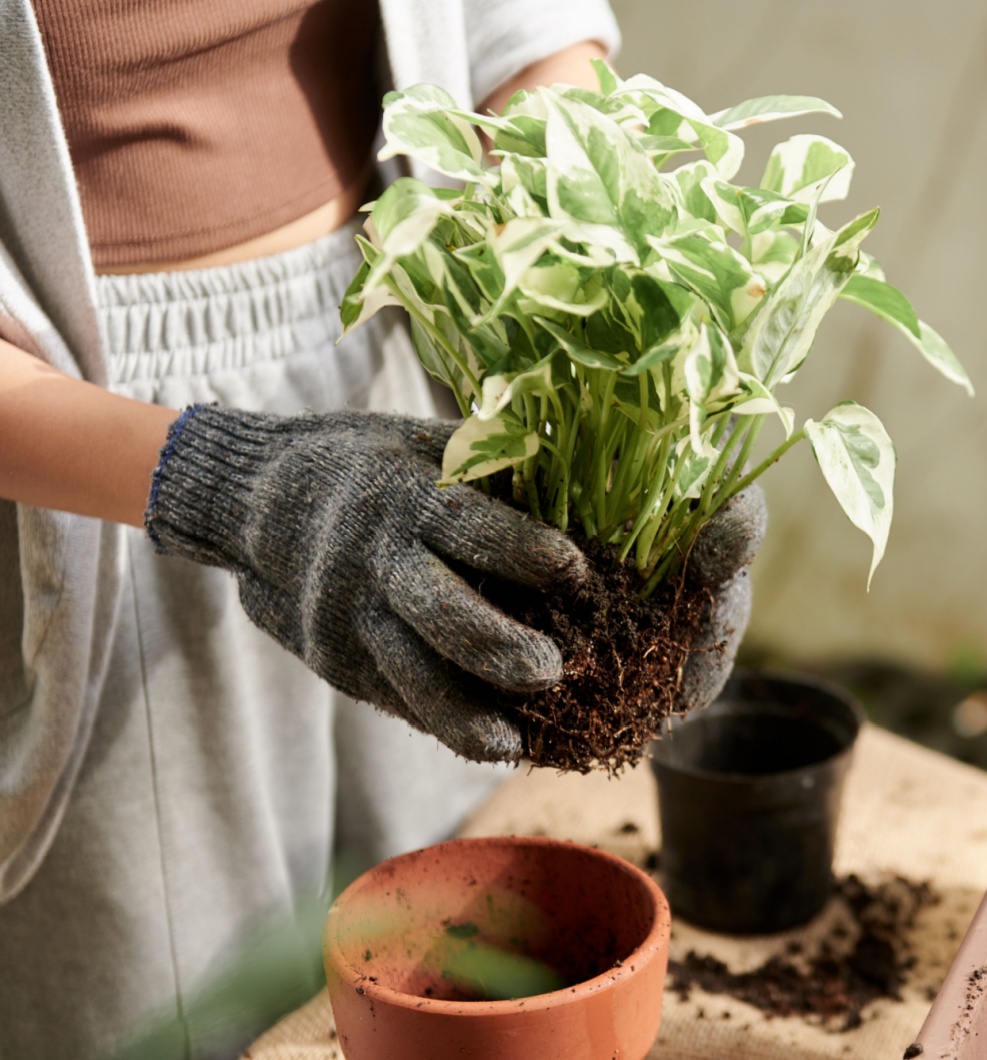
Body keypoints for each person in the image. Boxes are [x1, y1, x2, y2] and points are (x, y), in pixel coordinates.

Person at [0, 2, 762, 1056]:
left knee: (455, 939)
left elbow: (520, 35)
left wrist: (631, 348)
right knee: (187, 1007)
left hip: (410, 365)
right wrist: (230, 484)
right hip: (81, 461)